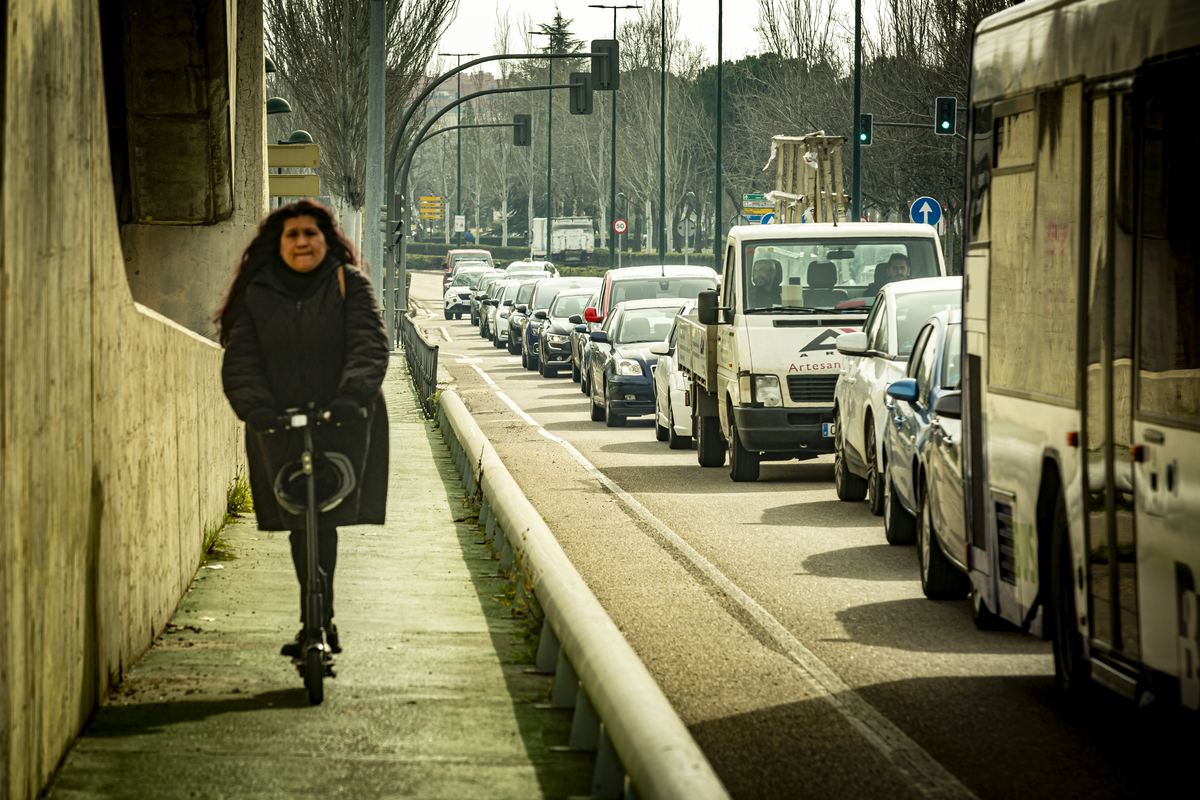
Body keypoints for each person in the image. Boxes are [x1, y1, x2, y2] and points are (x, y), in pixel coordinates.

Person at [217, 200, 390, 658]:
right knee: (300, 518)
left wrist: (352, 397)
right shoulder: (257, 291)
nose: (300, 242)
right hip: (280, 422)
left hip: (343, 416)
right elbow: (242, 357)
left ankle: (322, 617)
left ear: (325, 239)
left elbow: (370, 342)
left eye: (309, 233)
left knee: (324, 515)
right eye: (290, 234)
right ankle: (314, 619)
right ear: (278, 243)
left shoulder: (347, 282)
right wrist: (255, 407)